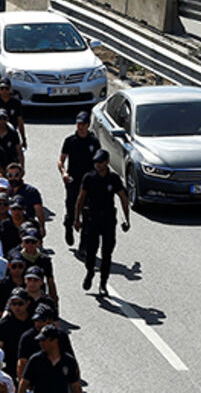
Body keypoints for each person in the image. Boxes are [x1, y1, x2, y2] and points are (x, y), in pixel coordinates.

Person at [74, 150, 130, 296]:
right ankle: (90, 272)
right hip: (92, 219)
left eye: (100, 162)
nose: (97, 165)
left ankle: (103, 283)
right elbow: (81, 198)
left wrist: (127, 219)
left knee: (107, 253)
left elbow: (123, 198)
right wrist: (77, 219)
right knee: (91, 251)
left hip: (108, 220)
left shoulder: (113, 179)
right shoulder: (89, 178)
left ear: (106, 162)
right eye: (96, 162)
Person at [56, 112, 101, 248]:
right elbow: (61, 160)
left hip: (89, 183)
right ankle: (68, 224)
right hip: (73, 181)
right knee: (72, 209)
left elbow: (99, 162)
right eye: (79, 124)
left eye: (84, 124)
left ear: (88, 125)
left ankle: (83, 245)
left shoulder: (94, 142)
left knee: (87, 214)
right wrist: (64, 172)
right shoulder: (70, 141)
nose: (81, 127)